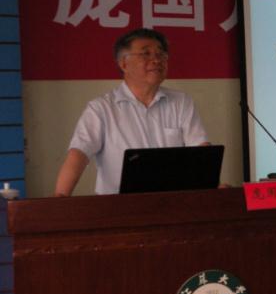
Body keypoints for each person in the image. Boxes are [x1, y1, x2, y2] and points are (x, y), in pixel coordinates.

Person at [54, 28, 209, 196]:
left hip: (173, 200)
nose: (156, 60)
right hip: (119, 204)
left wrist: (212, 186)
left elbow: (201, 150)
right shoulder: (101, 108)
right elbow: (79, 154)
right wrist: (61, 197)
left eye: (161, 54)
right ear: (124, 64)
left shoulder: (181, 102)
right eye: (146, 54)